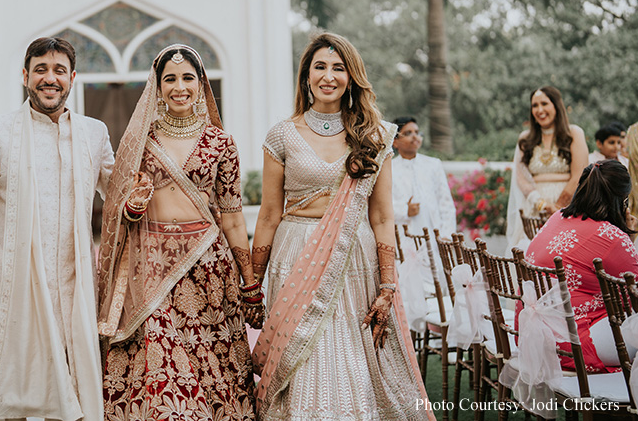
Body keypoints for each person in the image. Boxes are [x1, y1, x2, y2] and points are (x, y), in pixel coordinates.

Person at [250, 33, 433, 420]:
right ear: (306, 76)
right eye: (320, 67)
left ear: (351, 77)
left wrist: (387, 286)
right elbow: (268, 215)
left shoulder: (375, 135)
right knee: (301, 359)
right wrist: (253, 284)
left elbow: (382, 216)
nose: (328, 76)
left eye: (338, 68)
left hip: (355, 257)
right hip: (296, 253)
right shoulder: (282, 134)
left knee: (351, 355)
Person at [0, 37, 115, 421]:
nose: (49, 78)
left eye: (58, 70)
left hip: (75, 295)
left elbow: (120, 198)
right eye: (40, 69)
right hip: (14, 292)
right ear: (26, 77)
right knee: (11, 405)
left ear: (72, 78)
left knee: (70, 406)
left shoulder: (94, 133)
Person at [97, 44, 261, 421]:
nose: (179, 86)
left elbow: (233, 217)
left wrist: (249, 281)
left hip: (209, 270)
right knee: (162, 370)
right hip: (153, 270)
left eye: (188, 77)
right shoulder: (140, 142)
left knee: (211, 371)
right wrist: (133, 205)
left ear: (201, 84)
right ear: (157, 87)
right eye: (169, 79)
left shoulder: (221, 143)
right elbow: (119, 209)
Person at [521, 160, 638, 372]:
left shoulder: (558, 216)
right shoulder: (611, 236)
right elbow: (634, 293)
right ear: (622, 201)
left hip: (533, 334)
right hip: (574, 342)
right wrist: (628, 236)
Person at [505, 86, 589, 251]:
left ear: (556, 106)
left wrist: (558, 208)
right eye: (535, 106)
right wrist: (541, 205)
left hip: (569, 209)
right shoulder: (525, 139)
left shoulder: (574, 133)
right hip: (534, 212)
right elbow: (521, 177)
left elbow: (580, 174)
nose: (539, 110)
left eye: (544, 103)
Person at [391, 116, 457, 236]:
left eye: (417, 132)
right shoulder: (389, 169)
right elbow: (382, 208)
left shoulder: (433, 164)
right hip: (403, 236)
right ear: (395, 142)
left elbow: (446, 203)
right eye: (408, 133)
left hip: (434, 236)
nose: (415, 136)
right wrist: (405, 210)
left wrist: (447, 235)